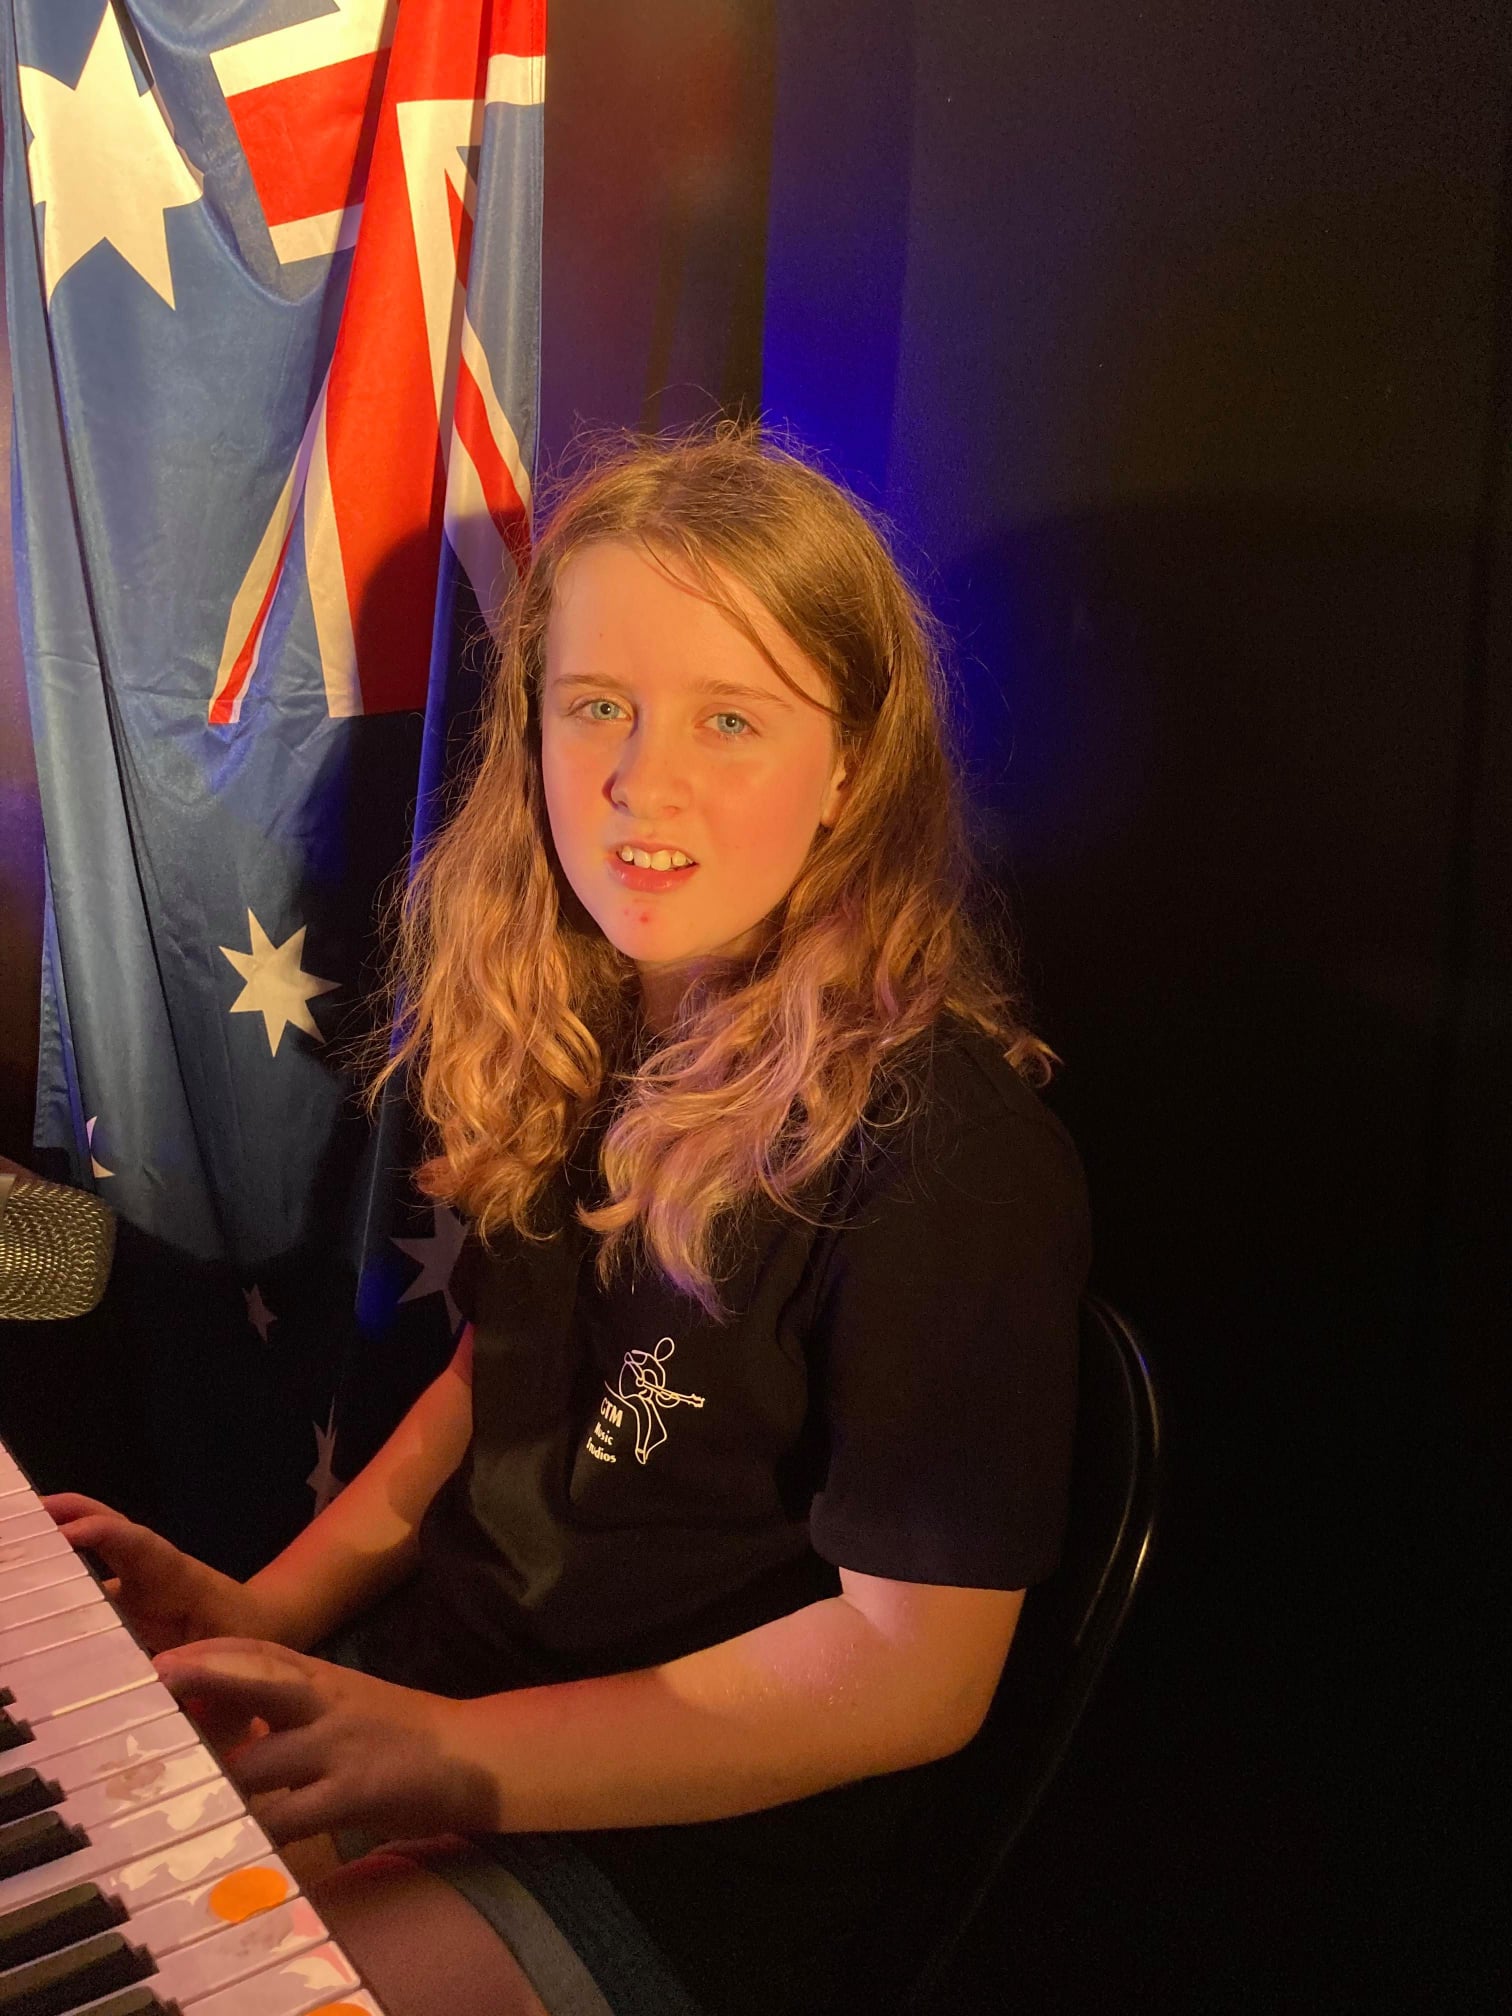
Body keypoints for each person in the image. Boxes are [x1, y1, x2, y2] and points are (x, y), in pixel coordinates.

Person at [42, 426, 1092, 2016]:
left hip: (686, 1837)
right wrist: (273, 1610)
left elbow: (911, 1674)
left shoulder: (945, 1153)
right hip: (453, 1703)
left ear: (853, 774)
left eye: (730, 720)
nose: (637, 781)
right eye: (596, 705)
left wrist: (452, 1759)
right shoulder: (594, 1021)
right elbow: (494, 1385)